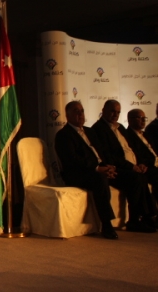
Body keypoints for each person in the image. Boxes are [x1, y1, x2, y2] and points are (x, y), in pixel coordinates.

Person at [54, 101, 119, 239]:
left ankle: (140, 218)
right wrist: (97, 168)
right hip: (78, 174)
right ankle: (106, 224)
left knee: (131, 176)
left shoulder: (90, 131)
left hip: (99, 168)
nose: (80, 114)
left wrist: (109, 166)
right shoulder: (63, 135)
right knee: (100, 179)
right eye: (76, 111)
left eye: (82, 111)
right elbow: (72, 160)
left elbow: (102, 152)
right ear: (67, 115)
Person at [91, 100, 157, 232]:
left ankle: (148, 217)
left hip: (133, 166)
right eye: (112, 111)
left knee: (143, 175)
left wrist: (141, 164)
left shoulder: (120, 127)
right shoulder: (98, 129)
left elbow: (133, 149)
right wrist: (131, 167)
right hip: (117, 168)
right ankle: (134, 220)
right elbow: (109, 156)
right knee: (137, 178)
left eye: (118, 112)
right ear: (103, 111)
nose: (115, 115)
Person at [125, 109, 158, 202]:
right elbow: (136, 155)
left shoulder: (145, 134)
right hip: (147, 166)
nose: (143, 120)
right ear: (130, 120)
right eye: (140, 118)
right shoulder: (128, 136)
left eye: (144, 118)